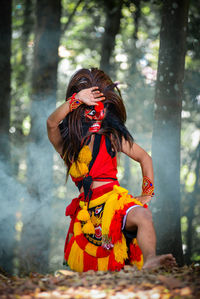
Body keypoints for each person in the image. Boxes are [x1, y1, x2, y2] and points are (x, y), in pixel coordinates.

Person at [47, 68, 176, 272]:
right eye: (86, 107)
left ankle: (151, 259)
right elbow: (52, 123)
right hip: (87, 213)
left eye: (97, 107)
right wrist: (77, 98)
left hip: (115, 202)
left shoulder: (112, 136)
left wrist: (147, 194)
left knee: (143, 217)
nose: (93, 113)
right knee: (89, 268)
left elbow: (145, 158)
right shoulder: (66, 145)